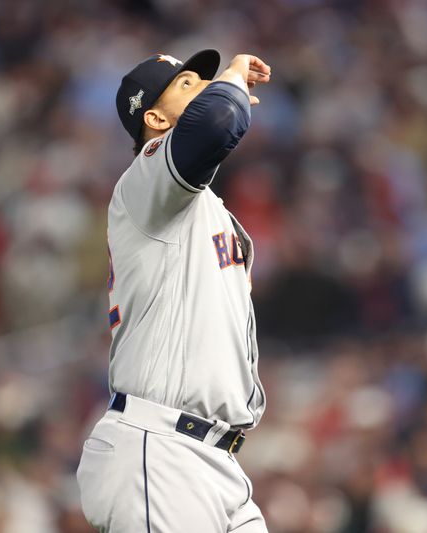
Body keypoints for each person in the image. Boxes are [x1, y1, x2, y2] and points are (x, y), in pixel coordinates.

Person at [76, 49, 271, 532]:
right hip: (159, 450)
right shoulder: (145, 182)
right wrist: (227, 79)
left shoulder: (199, 205)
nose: (204, 86)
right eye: (187, 83)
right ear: (156, 118)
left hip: (215, 461)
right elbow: (216, 123)